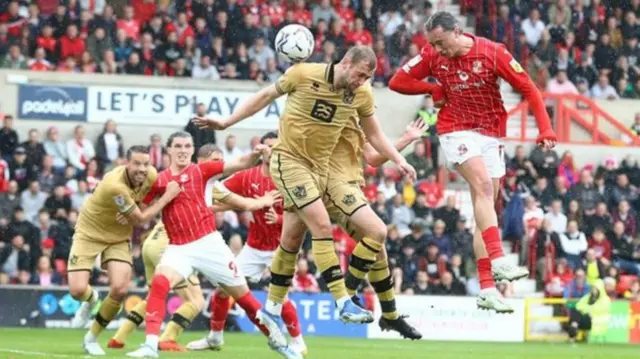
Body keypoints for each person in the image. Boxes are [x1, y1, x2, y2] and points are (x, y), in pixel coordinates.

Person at [193, 45, 416, 326]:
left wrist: (399, 160)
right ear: (346, 62)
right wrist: (226, 122)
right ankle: (343, 300)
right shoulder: (302, 74)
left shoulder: (361, 93)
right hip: (289, 163)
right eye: (359, 75)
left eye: (366, 78)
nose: (361, 82)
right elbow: (264, 96)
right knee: (321, 226)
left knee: (295, 238)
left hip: (321, 172)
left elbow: (375, 135)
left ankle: (273, 307)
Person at [388, 11, 557, 312]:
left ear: (457, 31)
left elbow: (529, 88)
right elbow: (397, 80)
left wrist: (545, 127)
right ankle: (499, 259)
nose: (437, 50)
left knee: (486, 207)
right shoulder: (432, 54)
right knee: (480, 186)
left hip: (491, 132)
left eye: (441, 42)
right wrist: (431, 88)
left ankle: (487, 288)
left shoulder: (493, 53)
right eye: (433, 45)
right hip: (455, 128)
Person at [125, 132, 298, 359]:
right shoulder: (159, 181)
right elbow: (141, 213)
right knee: (160, 282)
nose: (183, 150)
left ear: (192, 150)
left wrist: (257, 152)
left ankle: (280, 344)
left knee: (245, 300)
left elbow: (241, 163)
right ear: (169, 150)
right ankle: (149, 346)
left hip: (210, 245)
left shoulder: (201, 170)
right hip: (179, 248)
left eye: (188, 146)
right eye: (178, 146)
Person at [187, 133, 307, 355]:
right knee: (223, 289)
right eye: (268, 147)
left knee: (279, 295)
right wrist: (203, 207)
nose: (272, 151)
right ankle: (215, 337)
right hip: (253, 247)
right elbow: (220, 195)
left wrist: (280, 219)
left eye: (276, 147)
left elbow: (307, 215)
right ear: (262, 150)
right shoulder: (247, 176)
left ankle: (298, 341)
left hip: (282, 247)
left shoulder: (292, 179)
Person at [67, 146, 182, 356]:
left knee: (120, 290)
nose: (142, 168)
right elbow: (140, 219)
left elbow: (151, 196)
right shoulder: (114, 185)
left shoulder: (151, 175)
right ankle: (92, 300)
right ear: (126, 164)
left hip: (119, 237)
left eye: (146, 164)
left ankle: (91, 338)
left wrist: (136, 205)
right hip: (89, 233)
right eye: (137, 163)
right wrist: (161, 200)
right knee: (76, 291)